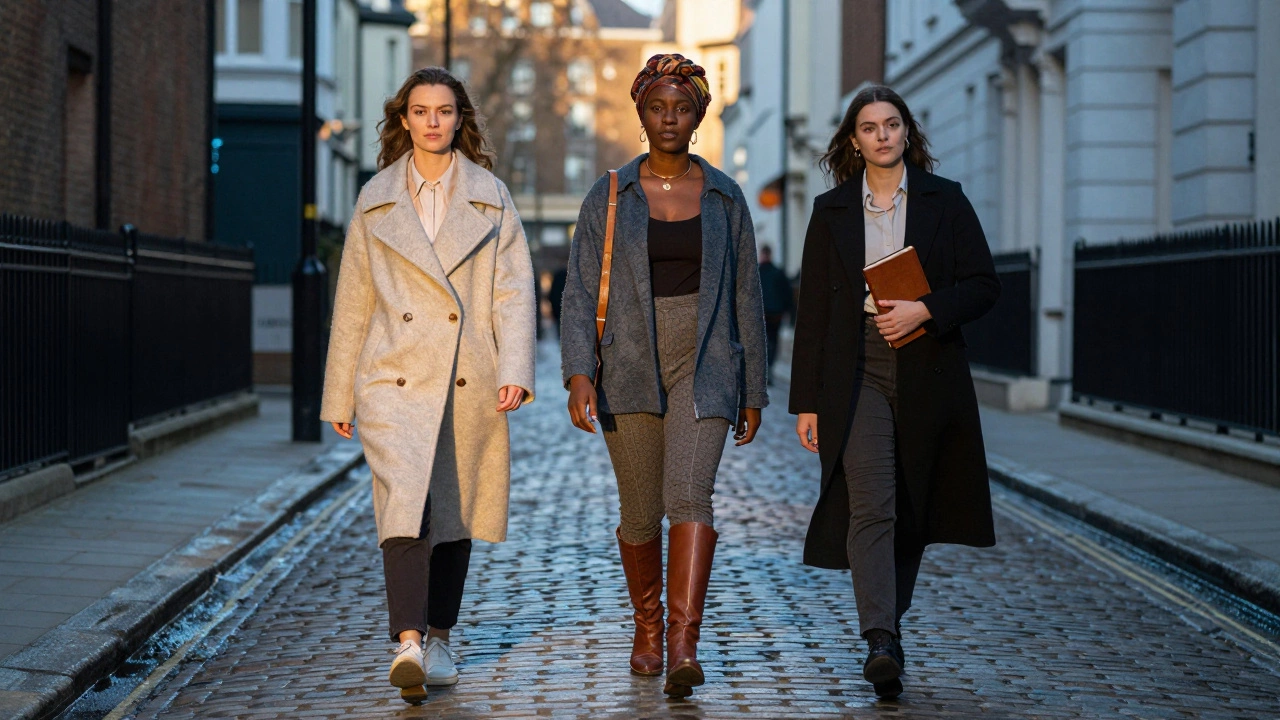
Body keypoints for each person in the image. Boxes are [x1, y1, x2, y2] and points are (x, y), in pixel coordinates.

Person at [320, 67, 536, 704]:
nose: (432, 122)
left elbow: (513, 290)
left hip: (467, 376)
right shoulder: (376, 197)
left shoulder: (491, 196)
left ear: (459, 119)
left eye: (444, 111)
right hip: (394, 378)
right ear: (404, 119)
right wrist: (340, 394)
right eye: (420, 111)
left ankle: (439, 637)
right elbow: (354, 300)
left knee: (455, 508)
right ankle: (408, 640)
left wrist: (515, 369)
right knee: (402, 505)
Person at [559, 53, 768, 699]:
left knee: (690, 496)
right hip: (627, 364)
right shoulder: (611, 193)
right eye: (657, 107)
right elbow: (575, 291)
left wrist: (752, 389)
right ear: (642, 114)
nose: (669, 117)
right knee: (641, 512)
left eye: (682, 107)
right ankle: (646, 626)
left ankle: (683, 641)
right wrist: (576, 373)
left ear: (699, 114)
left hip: (705, 366)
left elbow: (746, 297)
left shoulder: (725, 196)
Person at [789, 85, 1000, 700]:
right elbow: (814, 314)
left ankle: (890, 625)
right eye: (869, 127)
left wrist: (925, 310)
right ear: (853, 140)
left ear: (907, 132)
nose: (882, 135)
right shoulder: (830, 211)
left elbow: (985, 285)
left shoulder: (946, 201)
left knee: (912, 505)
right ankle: (880, 638)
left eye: (892, 124)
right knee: (872, 503)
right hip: (856, 368)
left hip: (928, 367)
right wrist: (806, 400)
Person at [756, 244, 793, 384]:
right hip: (771, 313)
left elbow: (786, 294)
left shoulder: (758, 272)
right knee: (770, 342)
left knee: (766, 342)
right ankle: (768, 369)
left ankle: (767, 369)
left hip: (767, 314)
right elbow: (787, 294)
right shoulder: (776, 272)